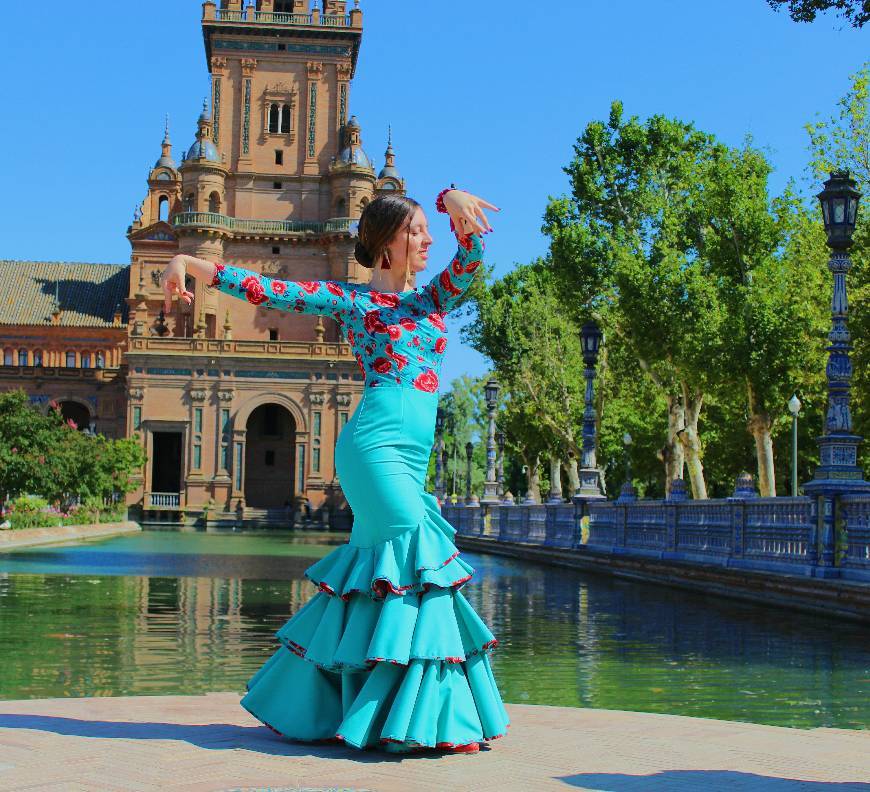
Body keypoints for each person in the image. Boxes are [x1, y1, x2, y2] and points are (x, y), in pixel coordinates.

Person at [159, 187, 510, 754]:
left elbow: (470, 260)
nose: (427, 240)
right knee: (419, 559)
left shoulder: (433, 302)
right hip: (372, 449)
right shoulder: (354, 302)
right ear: (387, 243)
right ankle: (420, 717)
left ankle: (342, 710)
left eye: (427, 230)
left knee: (379, 577)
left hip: (412, 454)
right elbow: (270, 289)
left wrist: (450, 201)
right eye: (416, 231)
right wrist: (188, 261)